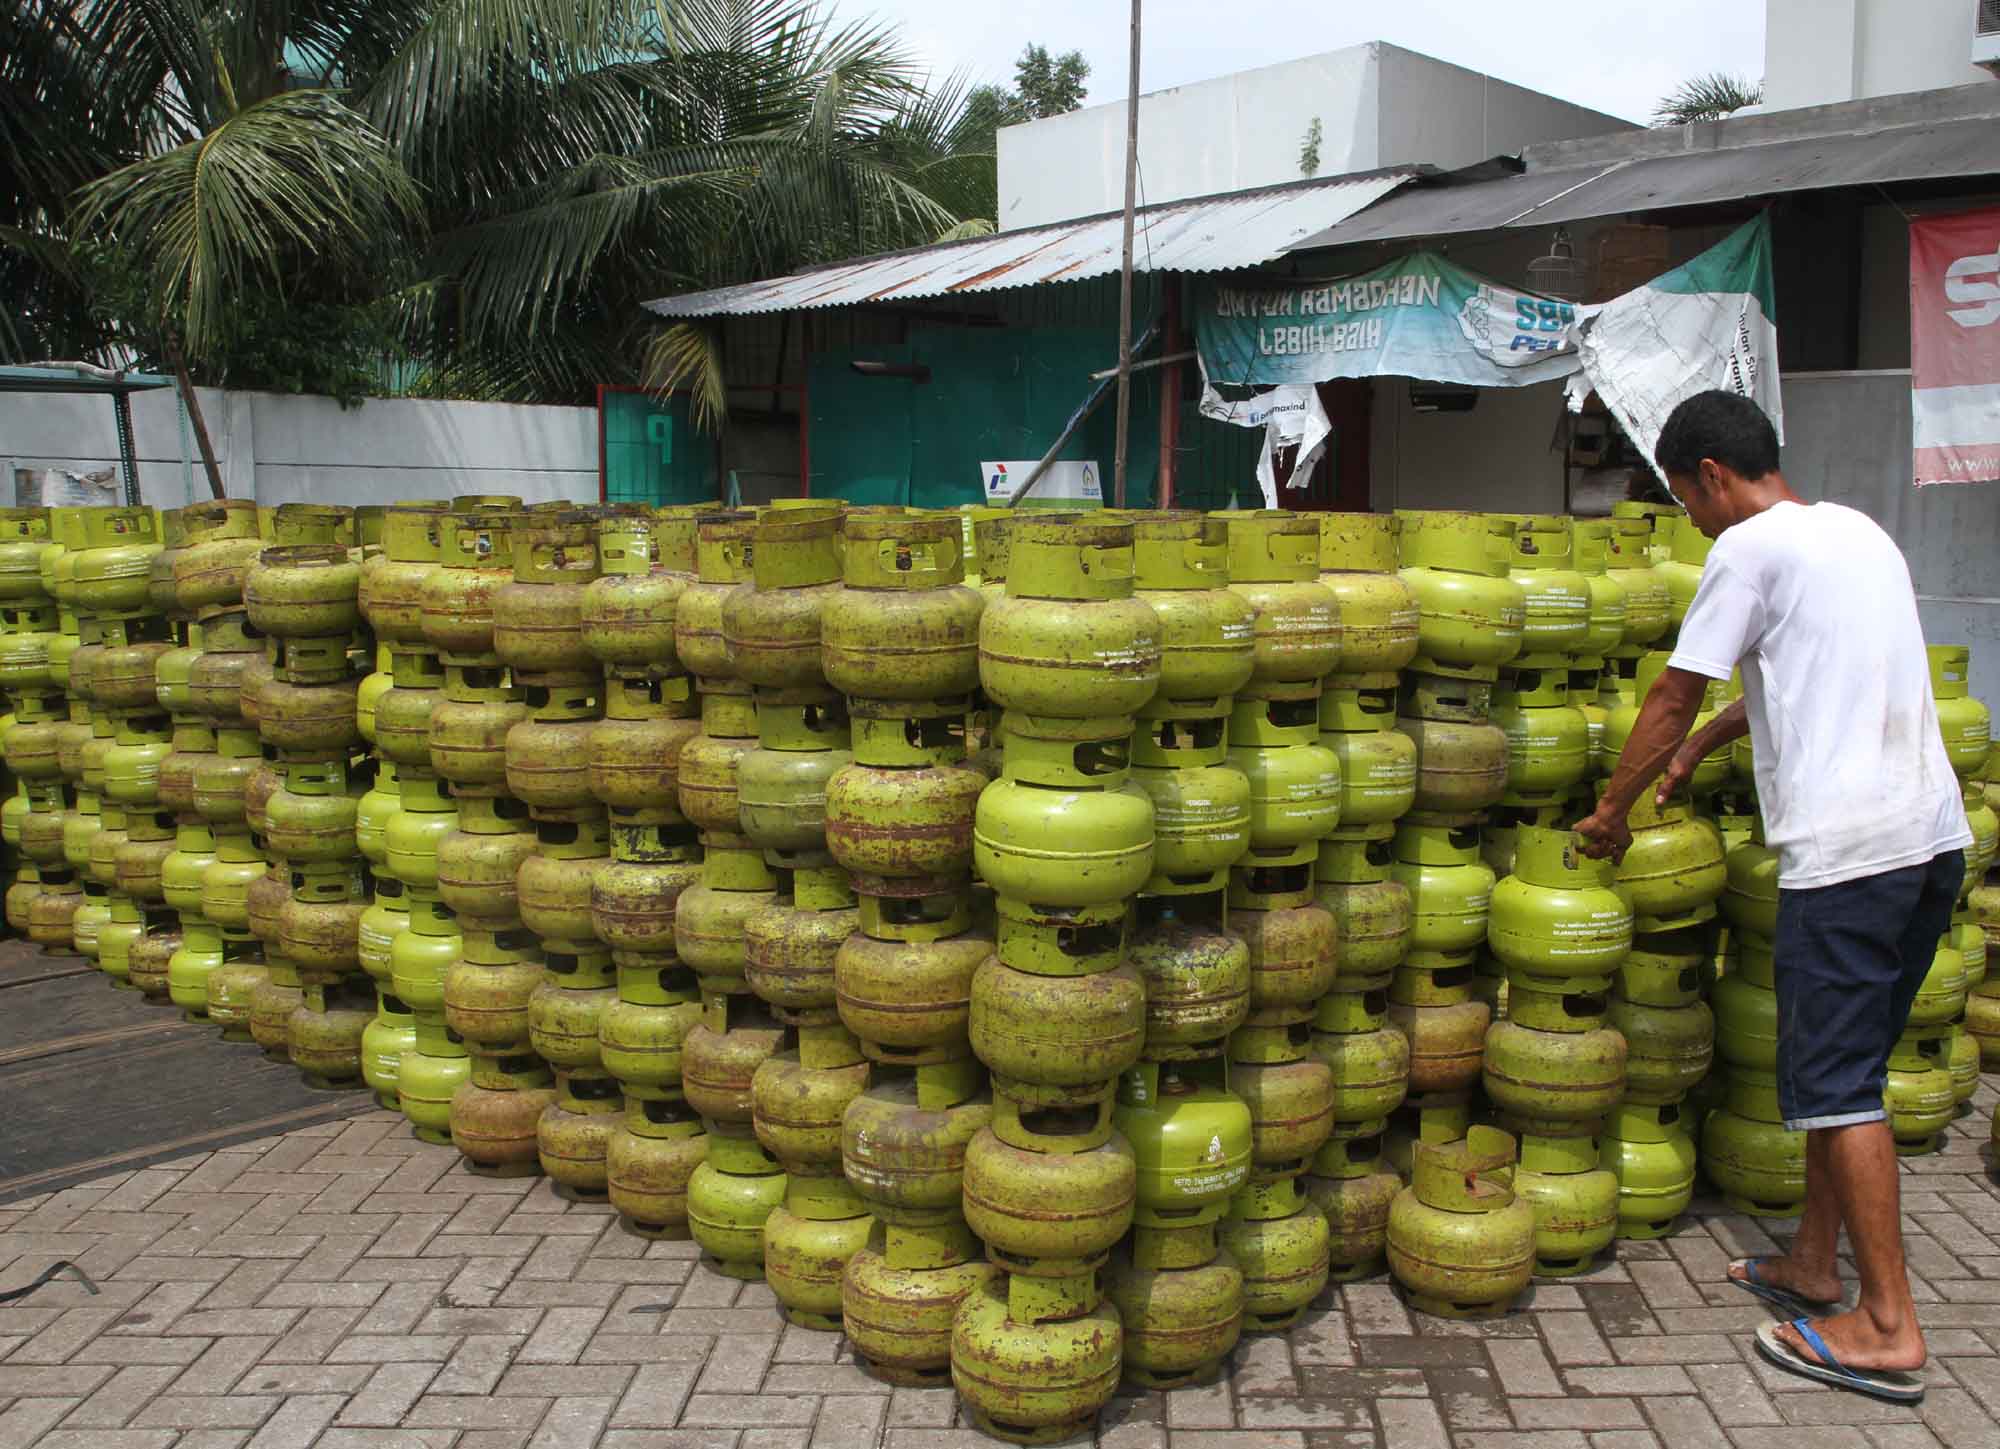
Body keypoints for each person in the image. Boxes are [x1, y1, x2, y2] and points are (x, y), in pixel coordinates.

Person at [1574, 389, 1969, 1406]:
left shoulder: (1742, 552)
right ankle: (1810, 1265)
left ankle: (1886, 1328)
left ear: (1711, 476)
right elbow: (1801, 677)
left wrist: (1611, 811)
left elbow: (1670, 691)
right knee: (1856, 1076)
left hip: (1846, 857)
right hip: (1927, 840)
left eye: (1684, 501)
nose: (1690, 522)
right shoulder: (1855, 534)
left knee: (1834, 1091)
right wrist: (1707, 745)